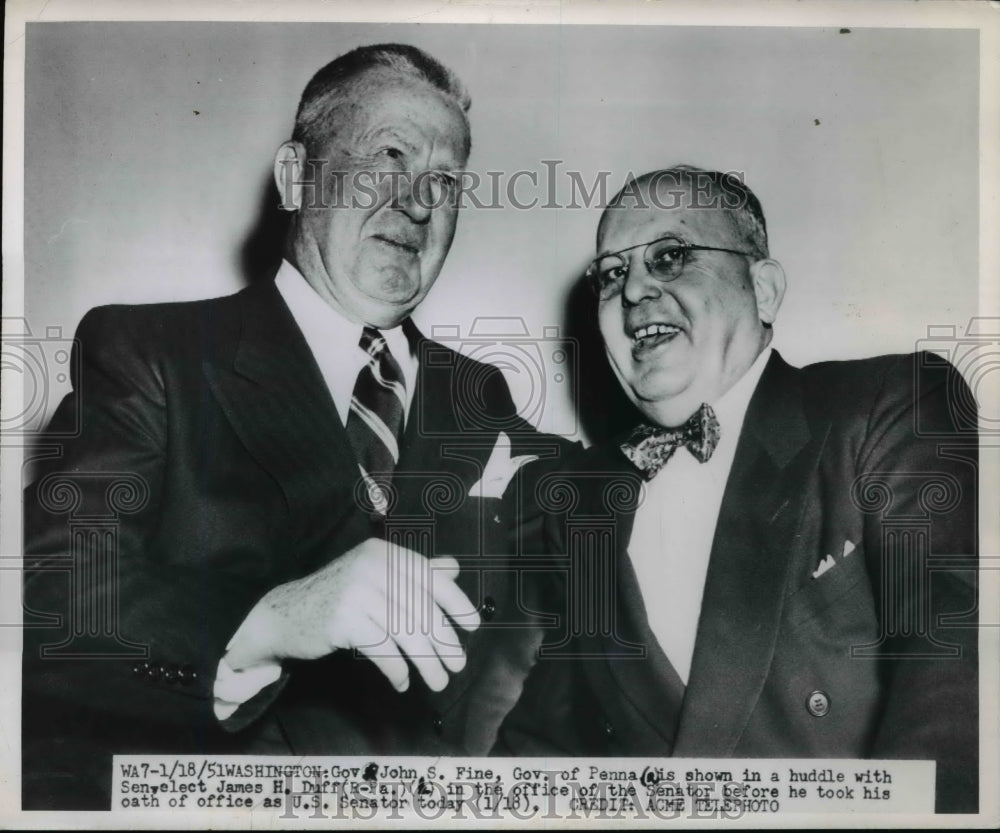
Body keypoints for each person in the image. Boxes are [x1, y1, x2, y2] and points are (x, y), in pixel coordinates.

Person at [22, 43, 560, 810]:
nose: (418, 202)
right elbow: (46, 593)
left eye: (445, 181)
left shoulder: (483, 392)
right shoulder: (152, 353)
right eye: (390, 157)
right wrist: (270, 620)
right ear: (295, 177)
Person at [495, 166, 979, 814]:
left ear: (764, 288)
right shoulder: (578, 500)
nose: (635, 288)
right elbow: (545, 747)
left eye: (670, 257)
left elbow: (949, 660)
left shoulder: (886, 407)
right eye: (611, 273)